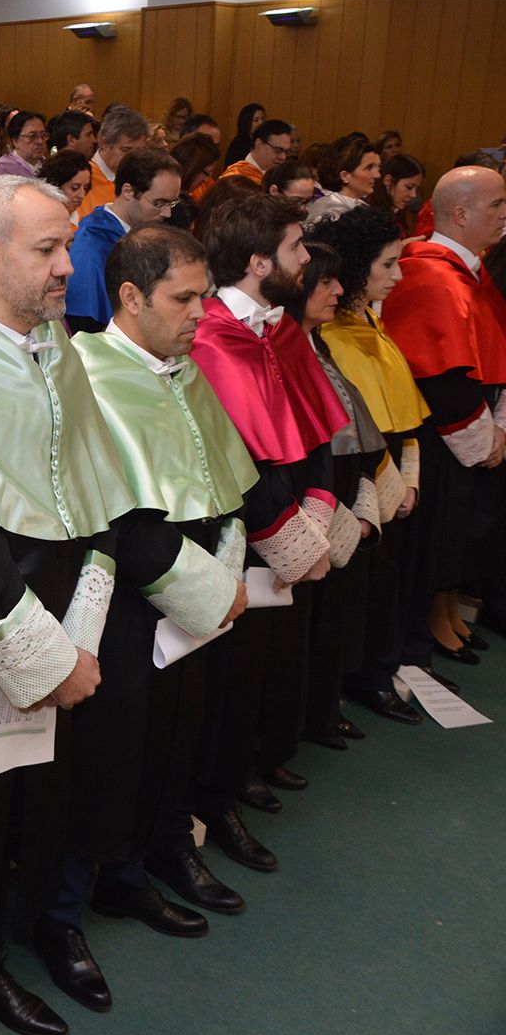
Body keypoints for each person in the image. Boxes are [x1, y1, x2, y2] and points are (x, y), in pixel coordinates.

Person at [0, 176, 228, 1035]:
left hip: (58, 622)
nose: (70, 267)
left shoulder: (53, 346)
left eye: (68, 246)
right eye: (46, 250)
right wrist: (40, 647)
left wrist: (83, 619)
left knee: (22, 809)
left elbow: (91, 490)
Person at [65, 225, 253, 1011]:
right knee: (102, 756)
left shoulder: (180, 368)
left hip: (197, 590)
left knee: (176, 733)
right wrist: (207, 587)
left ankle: (152, 858)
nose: (201, 314)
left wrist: (230, 559)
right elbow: (112, 516)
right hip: (128, 600)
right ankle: (64, 910)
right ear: (132, 297)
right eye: (185, 299)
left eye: (206, 295)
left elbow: (220, 477)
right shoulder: (87, 373)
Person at [183, 194, 349, 877]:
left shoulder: (277, 326)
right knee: (229, 674)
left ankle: (247, 765)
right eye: (295, 248)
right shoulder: (212, 334)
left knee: (266, 665)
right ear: (258, 262)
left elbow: (310, 428)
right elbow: (235, 458)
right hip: (244, 534)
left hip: (292, 524)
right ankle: (215, 796)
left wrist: (317, 503)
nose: (307, 261)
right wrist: (289, 533)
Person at [379, 165, 506, 687]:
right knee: (435, 538)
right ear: (461, 213)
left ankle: (443, 614)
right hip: (440, 436)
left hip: (471, 427)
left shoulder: (470, 271)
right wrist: (484, 436)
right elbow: (439, 372)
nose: (505, 215)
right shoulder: (430, 275)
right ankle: (418, 637)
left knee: (460, 532)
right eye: (497, 205)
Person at [313, 206, 429, 725]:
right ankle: (351, 682)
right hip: (360, 481)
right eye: (388, 264)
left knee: (384, 586)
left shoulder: (370, 321)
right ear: (360, 267)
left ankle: (378, 671)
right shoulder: (332, 336)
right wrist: (388, 485)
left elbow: (401, 411)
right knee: (352, 594)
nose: (398, 275)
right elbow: (356, 428)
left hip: (394, 472)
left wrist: (410, 477)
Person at [277, 238, 390, 748]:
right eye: (325, 282)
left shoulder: (318, 343)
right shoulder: (282, 348)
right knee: (304, 624)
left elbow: (357, 432)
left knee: (332, 616)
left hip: (339, 489)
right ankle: (299, 720)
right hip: (307, 500)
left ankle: (318, 712)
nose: (338, 291)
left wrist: (365, 501)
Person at [66, 147, 182, 332]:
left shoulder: (149, 230)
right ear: (128, 191)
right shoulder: (92, 247)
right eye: (159, 203)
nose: (167, 213)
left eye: (172, 203)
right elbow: (85, 324)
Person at [76, 106, 151, 220]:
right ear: (103, 143)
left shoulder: (143, 179)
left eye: (140, 151)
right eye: (126, 150)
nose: (134, 157)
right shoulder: (80, 179)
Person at [309, 133, 381, 222]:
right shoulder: (329, 211)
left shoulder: (363, 207)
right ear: (345, 176)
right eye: (369, 168)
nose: (377, 175)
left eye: (378, 167)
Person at [214, 118, 293, 188]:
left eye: (287, 152)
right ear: (259, 144)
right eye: (278, 150)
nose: (283, 157)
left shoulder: (277, 177)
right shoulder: (235, 178)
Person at [39, 150, 93, 226]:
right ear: (55, 186)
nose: (82, 195)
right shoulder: (42, 222)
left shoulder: (86, 219)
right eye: (75, 188)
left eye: (85, 188)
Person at [0, 110, 46, 177]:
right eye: (32, 136)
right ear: (15, 141)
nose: (40, 141)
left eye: (43, 135)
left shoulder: (48, 165)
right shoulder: (2, 169)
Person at [223, 103, 268, 167]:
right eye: (256, 120)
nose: (261, 123)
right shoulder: (238, 145)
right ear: (247, 123)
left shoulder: (265, 142)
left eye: (263, 119)